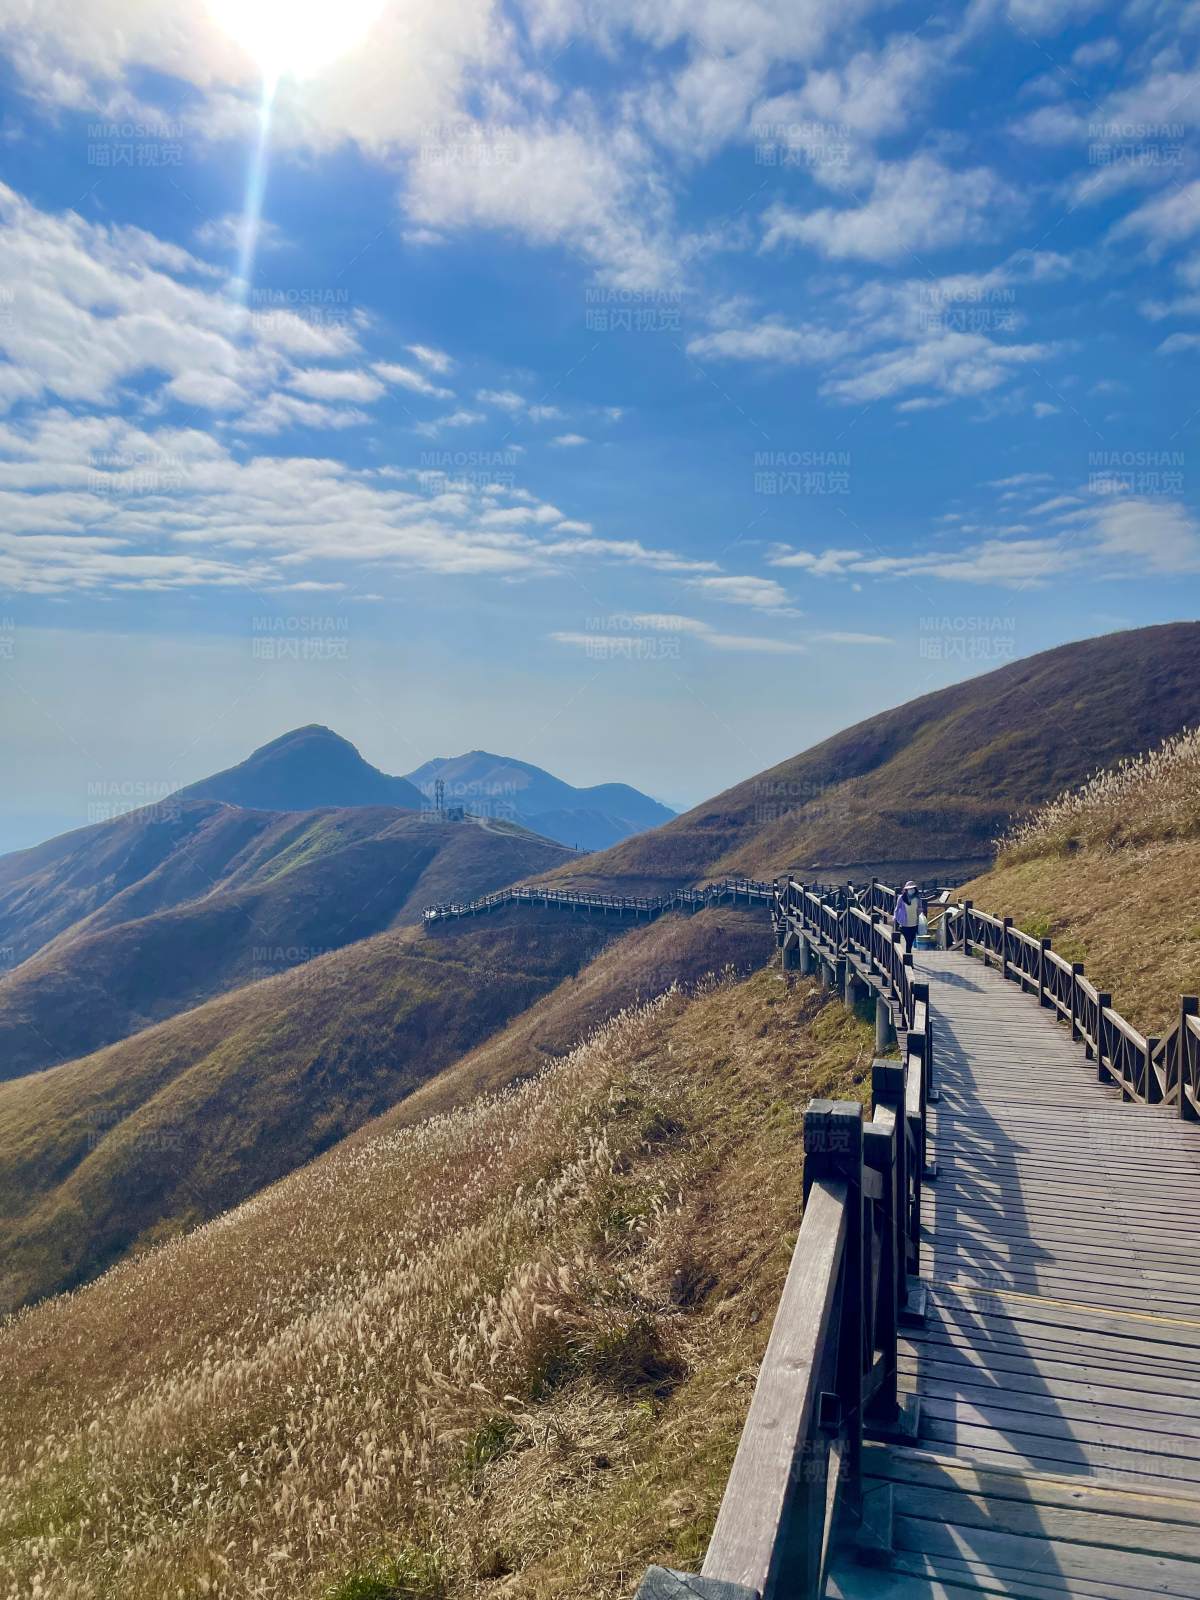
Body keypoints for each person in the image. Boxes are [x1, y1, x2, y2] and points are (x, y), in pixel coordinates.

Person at [893, 880, 921, 952]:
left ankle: (908, 953)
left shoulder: (917, 898)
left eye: (913, 888)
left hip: (914, 922)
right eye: (909, 888)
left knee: (911, 940)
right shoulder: (901, 898)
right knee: (908, 940)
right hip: (904, 923)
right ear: (906, 889)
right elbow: (897, 908)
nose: (911, 890)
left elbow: (919, 907)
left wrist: (920, 910)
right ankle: (907, 955)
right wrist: (895, 917)